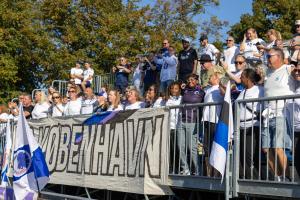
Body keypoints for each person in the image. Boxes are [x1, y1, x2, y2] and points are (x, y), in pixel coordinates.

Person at [262, 47, 295, 181]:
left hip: (281, 113)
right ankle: (278, 177)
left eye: (270, 56)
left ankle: (288, 178)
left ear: (279, 57)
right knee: (266, 149)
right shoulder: (268, 72)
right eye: (267, 56)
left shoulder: (288, 68)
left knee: (278, 148)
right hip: (267, 115)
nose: (267, 58)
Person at [236, 68, 264, 179]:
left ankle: (254, 183)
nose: (240, 78)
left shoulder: (259, 90)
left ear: (248, 78)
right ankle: (246, 182)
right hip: (241, 127)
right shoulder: (242, 91)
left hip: (253, 126)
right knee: (242, 157)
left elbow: (263, 107)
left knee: (249, 157)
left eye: (242, 76)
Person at [177, 74, 205, 175]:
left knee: (192, 147)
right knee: (180, 146)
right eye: (188, 80)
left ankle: (197, 170)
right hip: (182, 121)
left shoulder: (201, 92)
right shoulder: (185, 90)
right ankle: (185, 169)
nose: (190, 82)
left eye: (192, 80)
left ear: (197, 81)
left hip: (193, 122)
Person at [202, 72, 223, 176]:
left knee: (214, 146)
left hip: (215, 120)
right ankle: (208, 172)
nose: (208, 77)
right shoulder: (207, 89)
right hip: (206, 119)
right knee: (206, 147)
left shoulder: (220, 88)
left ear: (216, 77)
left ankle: (216, 172)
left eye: (210, 76)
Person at [166, 82, 182, 173]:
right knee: (170, 149)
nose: (173, 90)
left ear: (179, 89)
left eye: (176, 88)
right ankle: (171, 168)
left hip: (178, 126)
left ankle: (178, 167)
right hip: (169, 127)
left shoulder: (181, 98)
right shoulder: (167, 99)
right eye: (172, 88)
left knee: (178, 148)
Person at [292, 61, 300, 180]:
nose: (297, 72)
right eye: (296, 70)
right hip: (296, 129)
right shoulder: (296, 86)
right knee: (297, 162)